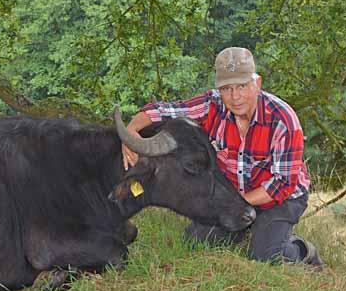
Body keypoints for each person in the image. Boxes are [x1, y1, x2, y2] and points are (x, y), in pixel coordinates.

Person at [121, 46, 324, 268]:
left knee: (266, 256)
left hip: (280, 197)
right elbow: (163, 110)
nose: (235, 97)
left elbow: (282, 184)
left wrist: (236, 205)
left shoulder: (283, 120)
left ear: (257, 83)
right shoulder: (212, 105)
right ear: (219, 89)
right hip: (234, 192)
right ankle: (245, 230)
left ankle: (302, 251)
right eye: (227, 89)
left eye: (242, 86)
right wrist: (131, 130)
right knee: (197, 242)